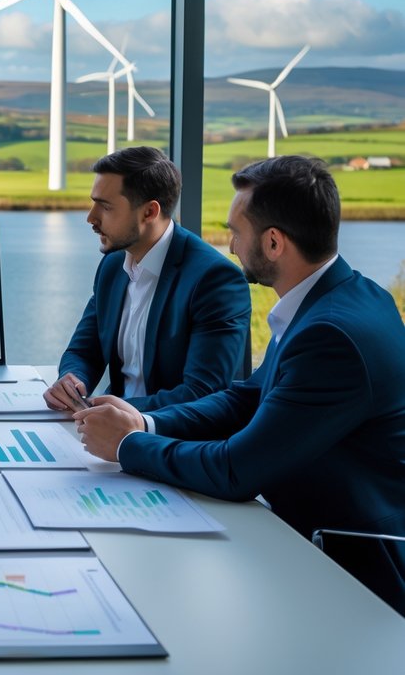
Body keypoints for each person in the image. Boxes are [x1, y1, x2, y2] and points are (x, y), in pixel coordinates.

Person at [75, 156, 405, 614]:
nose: (229, 246)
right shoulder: (342, 298)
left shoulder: (330, 336)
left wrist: (128, 445)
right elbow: (246, 396)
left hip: (351, 569)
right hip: (301, 536)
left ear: (272, 242)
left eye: (236, 231)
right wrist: (146, 421)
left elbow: (236, 471)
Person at [44, 147, 251, 413]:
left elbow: (202, 392)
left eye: (105, 207)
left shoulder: (215, 281)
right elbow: (84, 350)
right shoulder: (112, 264)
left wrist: (115, 410)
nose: (91, 218)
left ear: (149, 212)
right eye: (94, 202)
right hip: (108, 429)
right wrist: (72, 380)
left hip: (172, 441)